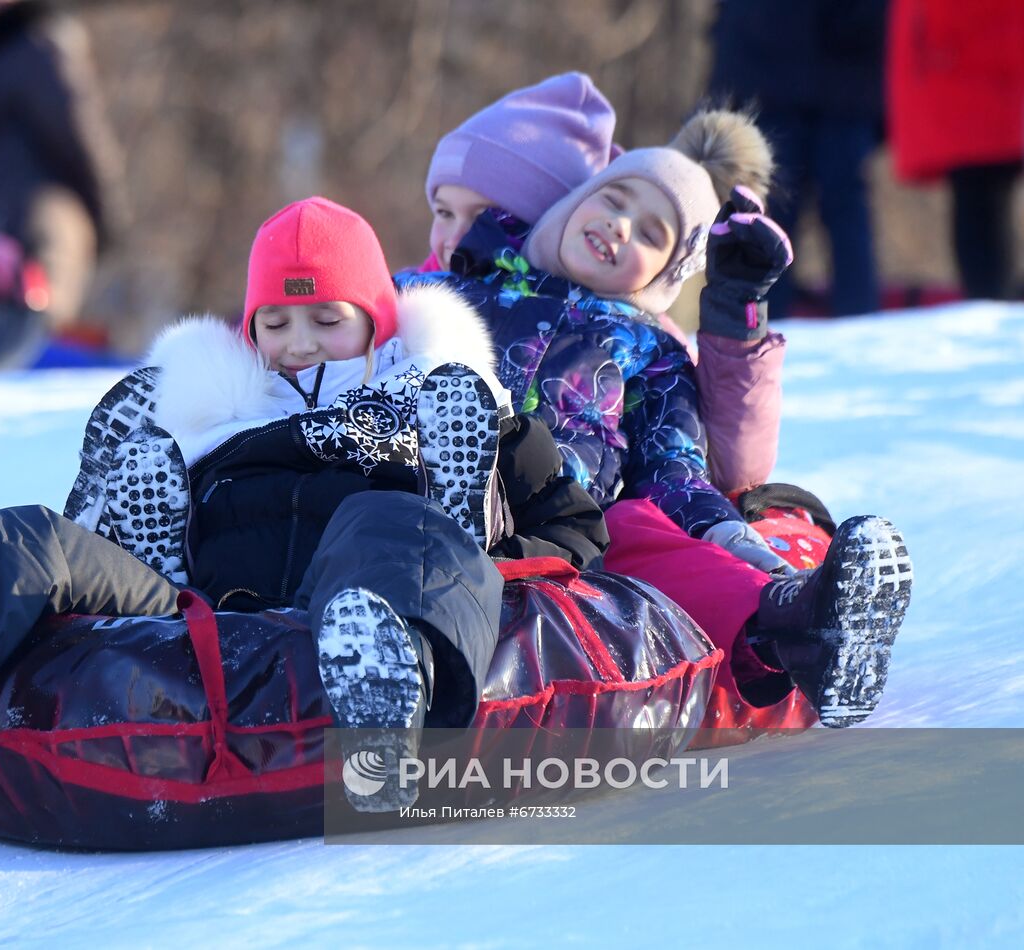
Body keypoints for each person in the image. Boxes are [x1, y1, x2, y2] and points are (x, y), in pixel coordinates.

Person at [0, 197, 605, 828]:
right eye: (274, 323)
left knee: (384, 520)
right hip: (195, 608)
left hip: (357, 590)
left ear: (379, 321)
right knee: (22, 540)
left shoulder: (449, 401)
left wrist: (501, 553)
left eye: (326, 320)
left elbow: (577, 531)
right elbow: (94, 536)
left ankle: (386, 700)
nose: (296, 343)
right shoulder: (208, 412)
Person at [400, 108, 915, 728]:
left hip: (568, 525)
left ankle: (797, 624)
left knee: (636, 524)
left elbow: (674, 465)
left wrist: (735, 540)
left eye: (650, 234)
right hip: (443, 489)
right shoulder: (449, 288)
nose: (620, 227)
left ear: (666, 276)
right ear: (572, 204)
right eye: (613, 200)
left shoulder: (650, 348)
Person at [416, 73, 784, 497]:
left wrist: (735, 323)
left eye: (484, 216)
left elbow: (720, 470)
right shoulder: (418, 298)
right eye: (443, 212)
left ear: (554, 214)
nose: (456, 237)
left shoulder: (636, 336)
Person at [0, 0, 130, 337]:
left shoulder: (38, 44)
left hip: (31, 242)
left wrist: (108, 219)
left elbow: (79, 137)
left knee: (33, 349)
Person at [707, 0, 887, 318]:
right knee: (771, 212)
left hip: (843, 87)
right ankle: (764, 322)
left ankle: (862, 321)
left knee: (845, 208)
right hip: (768, 85)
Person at [886, 0, 1024, 301]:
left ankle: (991, 304)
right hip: (979, 89)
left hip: (975, 86)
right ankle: (993, 303)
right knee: (983, 208)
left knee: (979, 211)